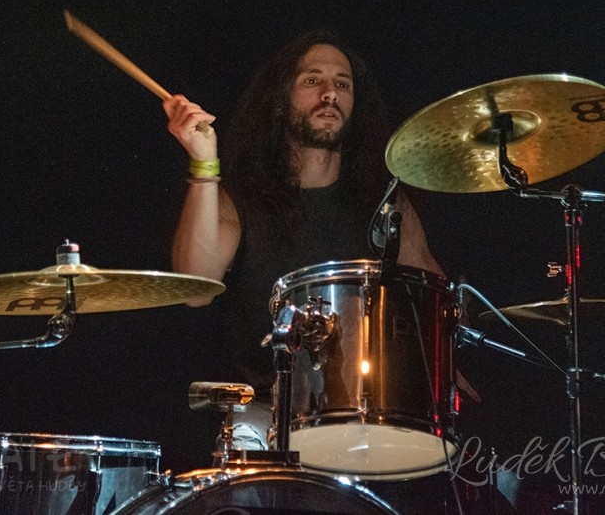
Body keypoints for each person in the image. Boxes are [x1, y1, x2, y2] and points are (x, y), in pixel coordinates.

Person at [162, 29, 446, 448]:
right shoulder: (241, 198)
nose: (330, 93)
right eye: (313, 80)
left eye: (343, 84)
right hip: (262, 414)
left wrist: (445, 359)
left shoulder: (383, 203)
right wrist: (205, 162)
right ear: (281, 100)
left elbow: (433, 297)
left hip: (364, 416)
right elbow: (195, 289)